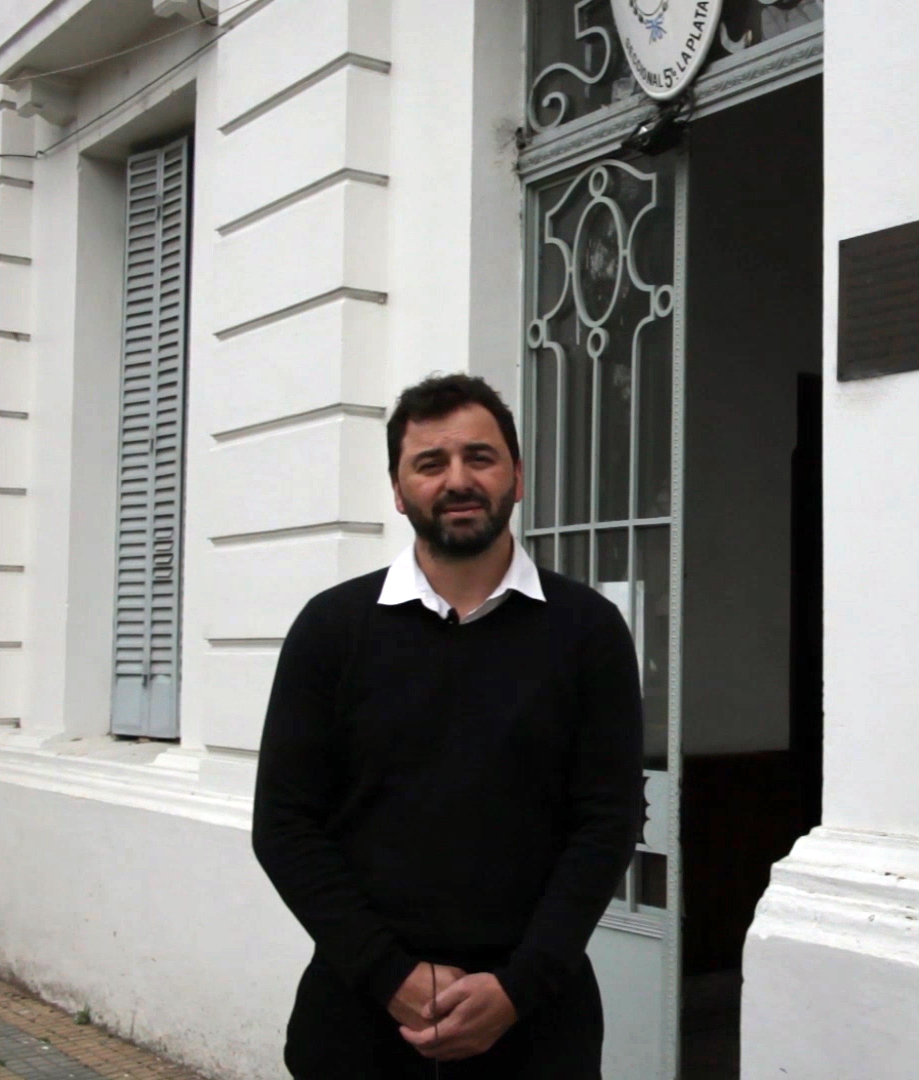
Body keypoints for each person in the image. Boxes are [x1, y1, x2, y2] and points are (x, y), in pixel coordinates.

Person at [252, 373, 643, 1078]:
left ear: (517, 477)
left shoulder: (589, 631)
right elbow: (283, 824)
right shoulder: (330, 630)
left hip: (537, 1027)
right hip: (356, 1024)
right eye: (430, 464)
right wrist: (389, 975)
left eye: (480, 458)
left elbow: (608, 820)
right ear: (399, 492)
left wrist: (518, 987)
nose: (458, 479)